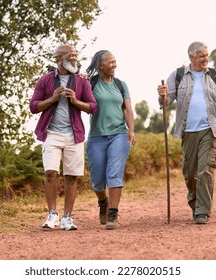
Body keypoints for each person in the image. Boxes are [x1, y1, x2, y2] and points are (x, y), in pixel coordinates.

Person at [157, 41, 216, 224]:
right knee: (190, 173)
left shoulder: (215, 76)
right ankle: (195, 203)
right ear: (191, 57)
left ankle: (202, 211)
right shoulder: (178, 75)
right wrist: (162, 94)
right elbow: (166, 103)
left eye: (207, 55)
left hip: (210, 130)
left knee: (206, 170)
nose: (206, 59)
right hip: (188, 131)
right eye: (201, 56)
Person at [29, 44, 97, 230]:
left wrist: (75, 101)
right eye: (70, 55)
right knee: (50, 173)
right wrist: (52, 98)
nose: (75, 58)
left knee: (71, 177)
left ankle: (67, 217)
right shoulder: (45, 80)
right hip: (51, 133)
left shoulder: (82, 81)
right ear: (59, 59)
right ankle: (52, 214)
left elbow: (93, 106)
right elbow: (33, 107)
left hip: (74, 135)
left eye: (76, 55)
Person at [85, 50, 136, 230]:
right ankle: (103, 202)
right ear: (100, 65)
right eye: (110, 62)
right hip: (96, 136)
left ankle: (113, 214)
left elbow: (127, 109)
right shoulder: (91, 83)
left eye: (115, 61)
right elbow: (81, 100)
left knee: (114, 174)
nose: (113, 65)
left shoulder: (121, 85)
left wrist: (131, 130)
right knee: (97, 180)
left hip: (119, 134)